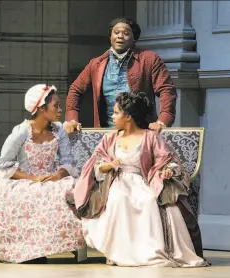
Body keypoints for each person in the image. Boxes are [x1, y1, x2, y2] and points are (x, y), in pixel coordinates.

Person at [67, 92, 208, 267]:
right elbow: (96, 165)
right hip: (115, 181)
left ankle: (147, 251)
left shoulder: (150, 137)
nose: (112, 115)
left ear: (128, 117)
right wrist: (109, 165)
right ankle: (117, 251)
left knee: (148, 200)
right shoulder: (110, 139)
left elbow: (169, 160)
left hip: (143, 181)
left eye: (116, 112)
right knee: (119, 198)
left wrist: (167, 171)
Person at [0, 84, 86, 264]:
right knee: (30, 194)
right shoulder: (22, 131)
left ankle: (63, 245)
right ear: (41, 108)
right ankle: (27, 250)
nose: (60, 110)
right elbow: (3, 164)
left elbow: (68, 161)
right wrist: (33, 179)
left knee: (68, 189)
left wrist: (57, 175)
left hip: (51, 177)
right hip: (24, 178)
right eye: (56, 105)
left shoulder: (59, 130)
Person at [65, 17, 177, 132]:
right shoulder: (96, 64)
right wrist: (71, 119)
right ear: (110, 36)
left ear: (134, 38)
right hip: (106, 134)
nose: (120, 36)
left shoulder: (150, 59)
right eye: (116, 32)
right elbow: (75, 90)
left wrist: (163, 120)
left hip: (141, 133)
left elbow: (167, 90)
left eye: (126, 33)